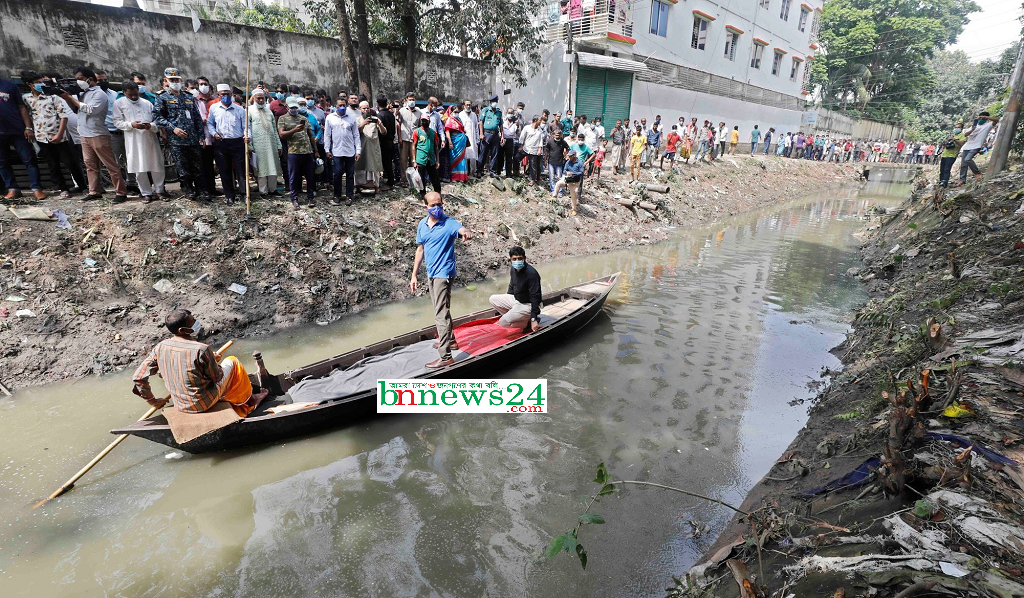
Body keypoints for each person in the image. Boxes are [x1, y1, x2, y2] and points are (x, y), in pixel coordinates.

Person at [132, 309, 264, 416]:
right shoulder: (201, 349)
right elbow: (217, 377)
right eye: (193, 322)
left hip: (181, 405)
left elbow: (138, 377)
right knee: (232, 361)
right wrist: (212, 361)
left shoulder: (160, 347)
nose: (196, 323)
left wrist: (153, 401)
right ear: (182, 331)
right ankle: (250, 401)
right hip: (203, 404)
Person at [409, 191, 472, 368]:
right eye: (432, 205)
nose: (436, 208)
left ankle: (446, 357)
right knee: (442, 309)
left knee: (440, 314)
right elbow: (420, 250)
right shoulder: (422, 224)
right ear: (426, 207)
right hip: (431, 272)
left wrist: (466, 232)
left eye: (439, 204)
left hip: (443, 274)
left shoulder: (449, 223)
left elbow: (461, 229)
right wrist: (414, 275)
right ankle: (451, 341)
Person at [55, 67, 128, 202]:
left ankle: (121, 192)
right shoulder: (84, 93)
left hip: (98, 133)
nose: (78, 82)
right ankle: (94, 191)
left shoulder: (99, 94)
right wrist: (67, 98)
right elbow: (77, 110)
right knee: (90, 165)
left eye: (80, 79)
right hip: (84, 133)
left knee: (110, 165)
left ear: (90, 79)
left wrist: (70, 97)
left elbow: (90, 110)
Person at [22, 72, 84, 199]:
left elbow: (63, 116)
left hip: (59, 136)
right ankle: (63, 188)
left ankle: (82, 185)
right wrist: (29, 129)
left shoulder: (53, 97)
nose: (41, 85)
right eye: (37, 82)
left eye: (42, 82)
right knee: (53, 164)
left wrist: (60, 134)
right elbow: (28, 115)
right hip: (41, 137)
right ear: (29, 85)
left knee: (70, 162)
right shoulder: (27, 99)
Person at [150, 67, 205, 201]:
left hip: (192, 138)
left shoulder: (188, 96)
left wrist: (201, 136)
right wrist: (172, 128)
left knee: (197, 166)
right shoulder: (162, 97)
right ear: (166, 80)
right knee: (182, 167)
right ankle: (188, 189)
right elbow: (158, 117)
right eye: (172, 80)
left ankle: (201, 190)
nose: (175, 82)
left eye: (177, 80)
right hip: (176, 140)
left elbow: (197, 118)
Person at [112, 82, 165, 203]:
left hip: (150, 137)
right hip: (133, 139)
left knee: (157, 164)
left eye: (135, 94)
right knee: (139, 166)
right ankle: (146, 193)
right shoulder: (119, 103)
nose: (133, 97)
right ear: (124, 92)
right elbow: (117, 122)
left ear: (138, 91)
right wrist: (132, 125)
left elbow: (157, 121)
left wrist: (150, 126)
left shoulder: (147, 103)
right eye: (130, 95)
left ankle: (159, 191)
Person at [206, 84, 248, 205]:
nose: (225, 96)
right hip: (221, 143)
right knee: (225, 170)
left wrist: (246, 135)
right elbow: (210, 123)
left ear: (231, 94)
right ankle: (230, 196)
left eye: (227, 94)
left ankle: (245, 194)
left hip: (238, 142)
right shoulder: (214, 108)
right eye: (223, 94)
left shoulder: (239, 109)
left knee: (241, 170)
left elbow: (246, 126)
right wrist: (214, 133)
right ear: (219, 95)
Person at [489, 246, 542, 332]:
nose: (517, 261)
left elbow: (535, 297)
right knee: (492, 299)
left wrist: (533, 318)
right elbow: (512, 285)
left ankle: (527, 323)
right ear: (510, 259)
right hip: (517, 300)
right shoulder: (513, 269)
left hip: (528, 305)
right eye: (514, 259)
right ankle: (518, 317)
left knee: (503, 322)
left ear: (524, 258)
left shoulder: (531, 274)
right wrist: (508, 299)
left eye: (520, 258)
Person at [278, 96, 319, 209]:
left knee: (310, 176)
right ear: (287, 107)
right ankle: (294, 199)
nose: (294, 109)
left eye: (296, 107)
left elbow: (311, 135)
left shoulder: (303, 118)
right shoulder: (283, 119)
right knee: (294, 177)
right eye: (292, 107)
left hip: (307, 151)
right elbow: (281, 134)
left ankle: (310, 198)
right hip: (294, 152)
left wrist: (315, 150)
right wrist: (294, 130)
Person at [247, 88, 283, 199]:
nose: (261, 100)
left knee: (273, 167)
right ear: (254, 98)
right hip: (258, 145)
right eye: (258, 98)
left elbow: (274, 128)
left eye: (262, 98)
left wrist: (279, 144)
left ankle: (272, 189)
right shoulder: (249, 110)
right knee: (261, 169)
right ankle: (263, 192)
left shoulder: (268, 110)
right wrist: (250, 145)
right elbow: (247, 129)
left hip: (271, 144)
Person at [324, 99, 360, 205]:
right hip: (337, 150)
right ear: (336, 106)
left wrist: (358, 150)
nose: (342, 107)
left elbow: (356, 135)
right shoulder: (330, 118)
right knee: (338, 173)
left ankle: (349, 196)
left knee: (350, 174)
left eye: (344, 105)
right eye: (340, 105)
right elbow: (327, 135)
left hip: (350, 151)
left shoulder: (351, 118)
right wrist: (327, 149)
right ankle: (337, 195)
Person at [958, 111, 998, 185]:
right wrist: (973, 128)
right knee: (963, 164)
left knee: (968, 159)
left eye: (982, 118)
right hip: (967, 146)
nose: (980, 119)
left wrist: (985, 117)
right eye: (980, 118)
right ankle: (962, 179)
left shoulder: (988, 125)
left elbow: (996, 120)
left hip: (976, 146)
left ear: (986, 119)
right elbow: (966, 134)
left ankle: (977, 173)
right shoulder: (974, 125)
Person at [354, 100, 385, 193]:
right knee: (359, 167)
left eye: (368, 108)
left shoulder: (375, 119)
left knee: (374, 167)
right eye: (364, 108)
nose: (366, 110)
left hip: (373, 148)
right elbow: (355, 133)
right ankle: (358, 186)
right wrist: (363, 123)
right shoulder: (357, 119)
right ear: (360, 109)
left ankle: (376, 187)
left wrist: (379, 123)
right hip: (361, 147)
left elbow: (384, 132)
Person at [412, 116, 442, 196]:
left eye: (426, 121)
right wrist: (414, 160)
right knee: (421, 178)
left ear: (429, 121)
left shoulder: (433, 132)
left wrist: (437, 160)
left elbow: (436, 146)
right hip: (421, 158)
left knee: (434, 177)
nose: (424, 122)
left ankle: (438, 194)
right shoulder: (417, 132)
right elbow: (413, 146)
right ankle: (423, 195)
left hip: (431, 159)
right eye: (423, 121)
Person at [397, 93, 422, 181]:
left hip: (414, 140)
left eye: (413, 100)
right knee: (403, 160)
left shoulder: (419, 112)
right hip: (404, 139)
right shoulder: (402, 111)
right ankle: (404, 179)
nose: (411, 101)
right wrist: (399, 137)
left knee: (414, 160)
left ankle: (414, 179)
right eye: (410, 99)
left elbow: (420, 126)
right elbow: (398, 124)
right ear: (406, 100)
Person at [552, 149, 584, 215]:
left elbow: (582, 172)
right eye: (569, 156)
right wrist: (567, 172)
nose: (569, 157)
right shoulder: (568, 162)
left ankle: (574, 209)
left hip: (575, 180)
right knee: (558, 183)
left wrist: (573, 173)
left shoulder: (579, 163)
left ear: (574, 155)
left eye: (571, 156)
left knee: (574, 194)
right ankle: (554, 196)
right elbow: (564, 170)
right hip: (568, 178)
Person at [443, 105, 470, 183]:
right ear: (451, 112)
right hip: (454, 142)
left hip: (461, 142)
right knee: (454, 159)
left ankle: (462, 177)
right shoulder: (449, 120)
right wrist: (450, 142)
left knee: (461, 159)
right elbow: (447, 131)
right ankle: (454, 177)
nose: (457, 113)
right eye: (455, 112)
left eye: (458, 112)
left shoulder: (458, 120)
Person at [375, 96, 397, 188]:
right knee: (388, 162)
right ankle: (389, 180)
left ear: (377, 104)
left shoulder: (380, 116)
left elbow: (381, 132)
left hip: (383, 142)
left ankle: (390, 182)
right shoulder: (391, 114)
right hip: (391, 141)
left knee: (386, 162)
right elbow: (394, 128)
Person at [479, 95, 503, 176]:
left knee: (494, 153)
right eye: (493, 101)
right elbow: (481, 122)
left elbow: (501, 125)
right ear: (490, 102)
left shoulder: (499, 112)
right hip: (486, 134)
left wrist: (502, 136)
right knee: (483, 153)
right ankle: (479, 170)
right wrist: (481, 134)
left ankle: (492, 171)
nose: (495, 103)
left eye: (496, 101)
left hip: (495, 134)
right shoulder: (485, 110)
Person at [939, 122, 967, 188]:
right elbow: (945, 144)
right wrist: (945, 142)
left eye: (958, 127)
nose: (956, 129)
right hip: (945, 154)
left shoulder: (962, 135)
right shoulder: (952, 135)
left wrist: (954, 139)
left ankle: (945, 182)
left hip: (952, 155)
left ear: (961, 128)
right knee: (942, 169)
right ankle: (940, 181)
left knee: (947, 169)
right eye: (955, 127)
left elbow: (961, 143)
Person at [519, 114, 545, 185]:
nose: (540, 122)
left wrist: (540, 149)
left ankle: (533, 179)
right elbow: (522, 137)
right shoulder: (527, 128)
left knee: (533, 165)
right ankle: (515, 172)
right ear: (536, 120)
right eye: (539, 120)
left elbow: (540, 141)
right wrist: (521, 146)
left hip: (534, 150)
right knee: (516, 158)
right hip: (526, 148)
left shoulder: (540, 130)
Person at [457, 99, 479, 178]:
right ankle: (464, 173)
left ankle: (473, 172)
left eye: (470, 105)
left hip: (472, 138)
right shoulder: (460, 115)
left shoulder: (474, 115)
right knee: (464, 155)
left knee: (473, 154)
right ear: (464, 106)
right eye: (467, 105)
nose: (468, 106)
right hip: (463, 137)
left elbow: (476, 128)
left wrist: (477, 139)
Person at [545, 128, 569, 195]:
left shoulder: (563, 142)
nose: (557, 136)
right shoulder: (550, 142)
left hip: (559, 162)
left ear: (561, 135)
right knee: (551, 177)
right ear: (553, 135)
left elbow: (568, 148)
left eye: (559, 135)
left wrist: (565, 154)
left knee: (559, 178)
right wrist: (545, 160)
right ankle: (553, 190)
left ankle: (560, 191)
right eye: (556, 135)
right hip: (551, 162)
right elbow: (547, 151)